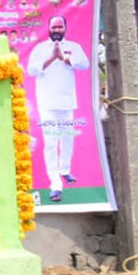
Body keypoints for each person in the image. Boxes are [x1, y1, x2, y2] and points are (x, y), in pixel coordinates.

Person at [26, 15, 89, 202]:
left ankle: (65, 170)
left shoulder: (74, 47)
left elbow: (84, 65)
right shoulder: (40, 49)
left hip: (68, 102)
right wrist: (52, 58)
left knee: (67, 140)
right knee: (51, 143)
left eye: (60, 27)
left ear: (64, 29)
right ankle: (55, 184)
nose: (56, 30)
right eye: (54, 27)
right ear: (49, 29)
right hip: (47, 104)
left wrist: (63, 58)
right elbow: (31, 71)